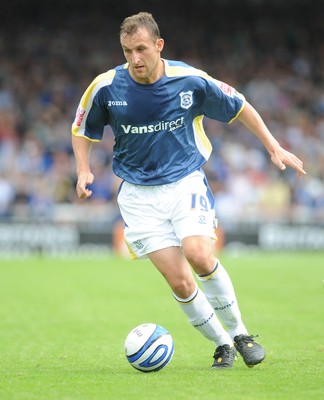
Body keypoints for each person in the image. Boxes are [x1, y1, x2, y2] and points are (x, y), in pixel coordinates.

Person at [71, 12, 306, 369]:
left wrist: (273, 146)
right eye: (126, 51)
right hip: (137, 196)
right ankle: (223, 344)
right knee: (180, 281)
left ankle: (241, 333)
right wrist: (83, 169)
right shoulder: (106, 86)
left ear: (158, 46)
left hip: (184, 183)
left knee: (198, 254)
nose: (134, 58)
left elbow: (240, 105)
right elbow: (81, 125)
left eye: (141, 49)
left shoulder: (190, 80)